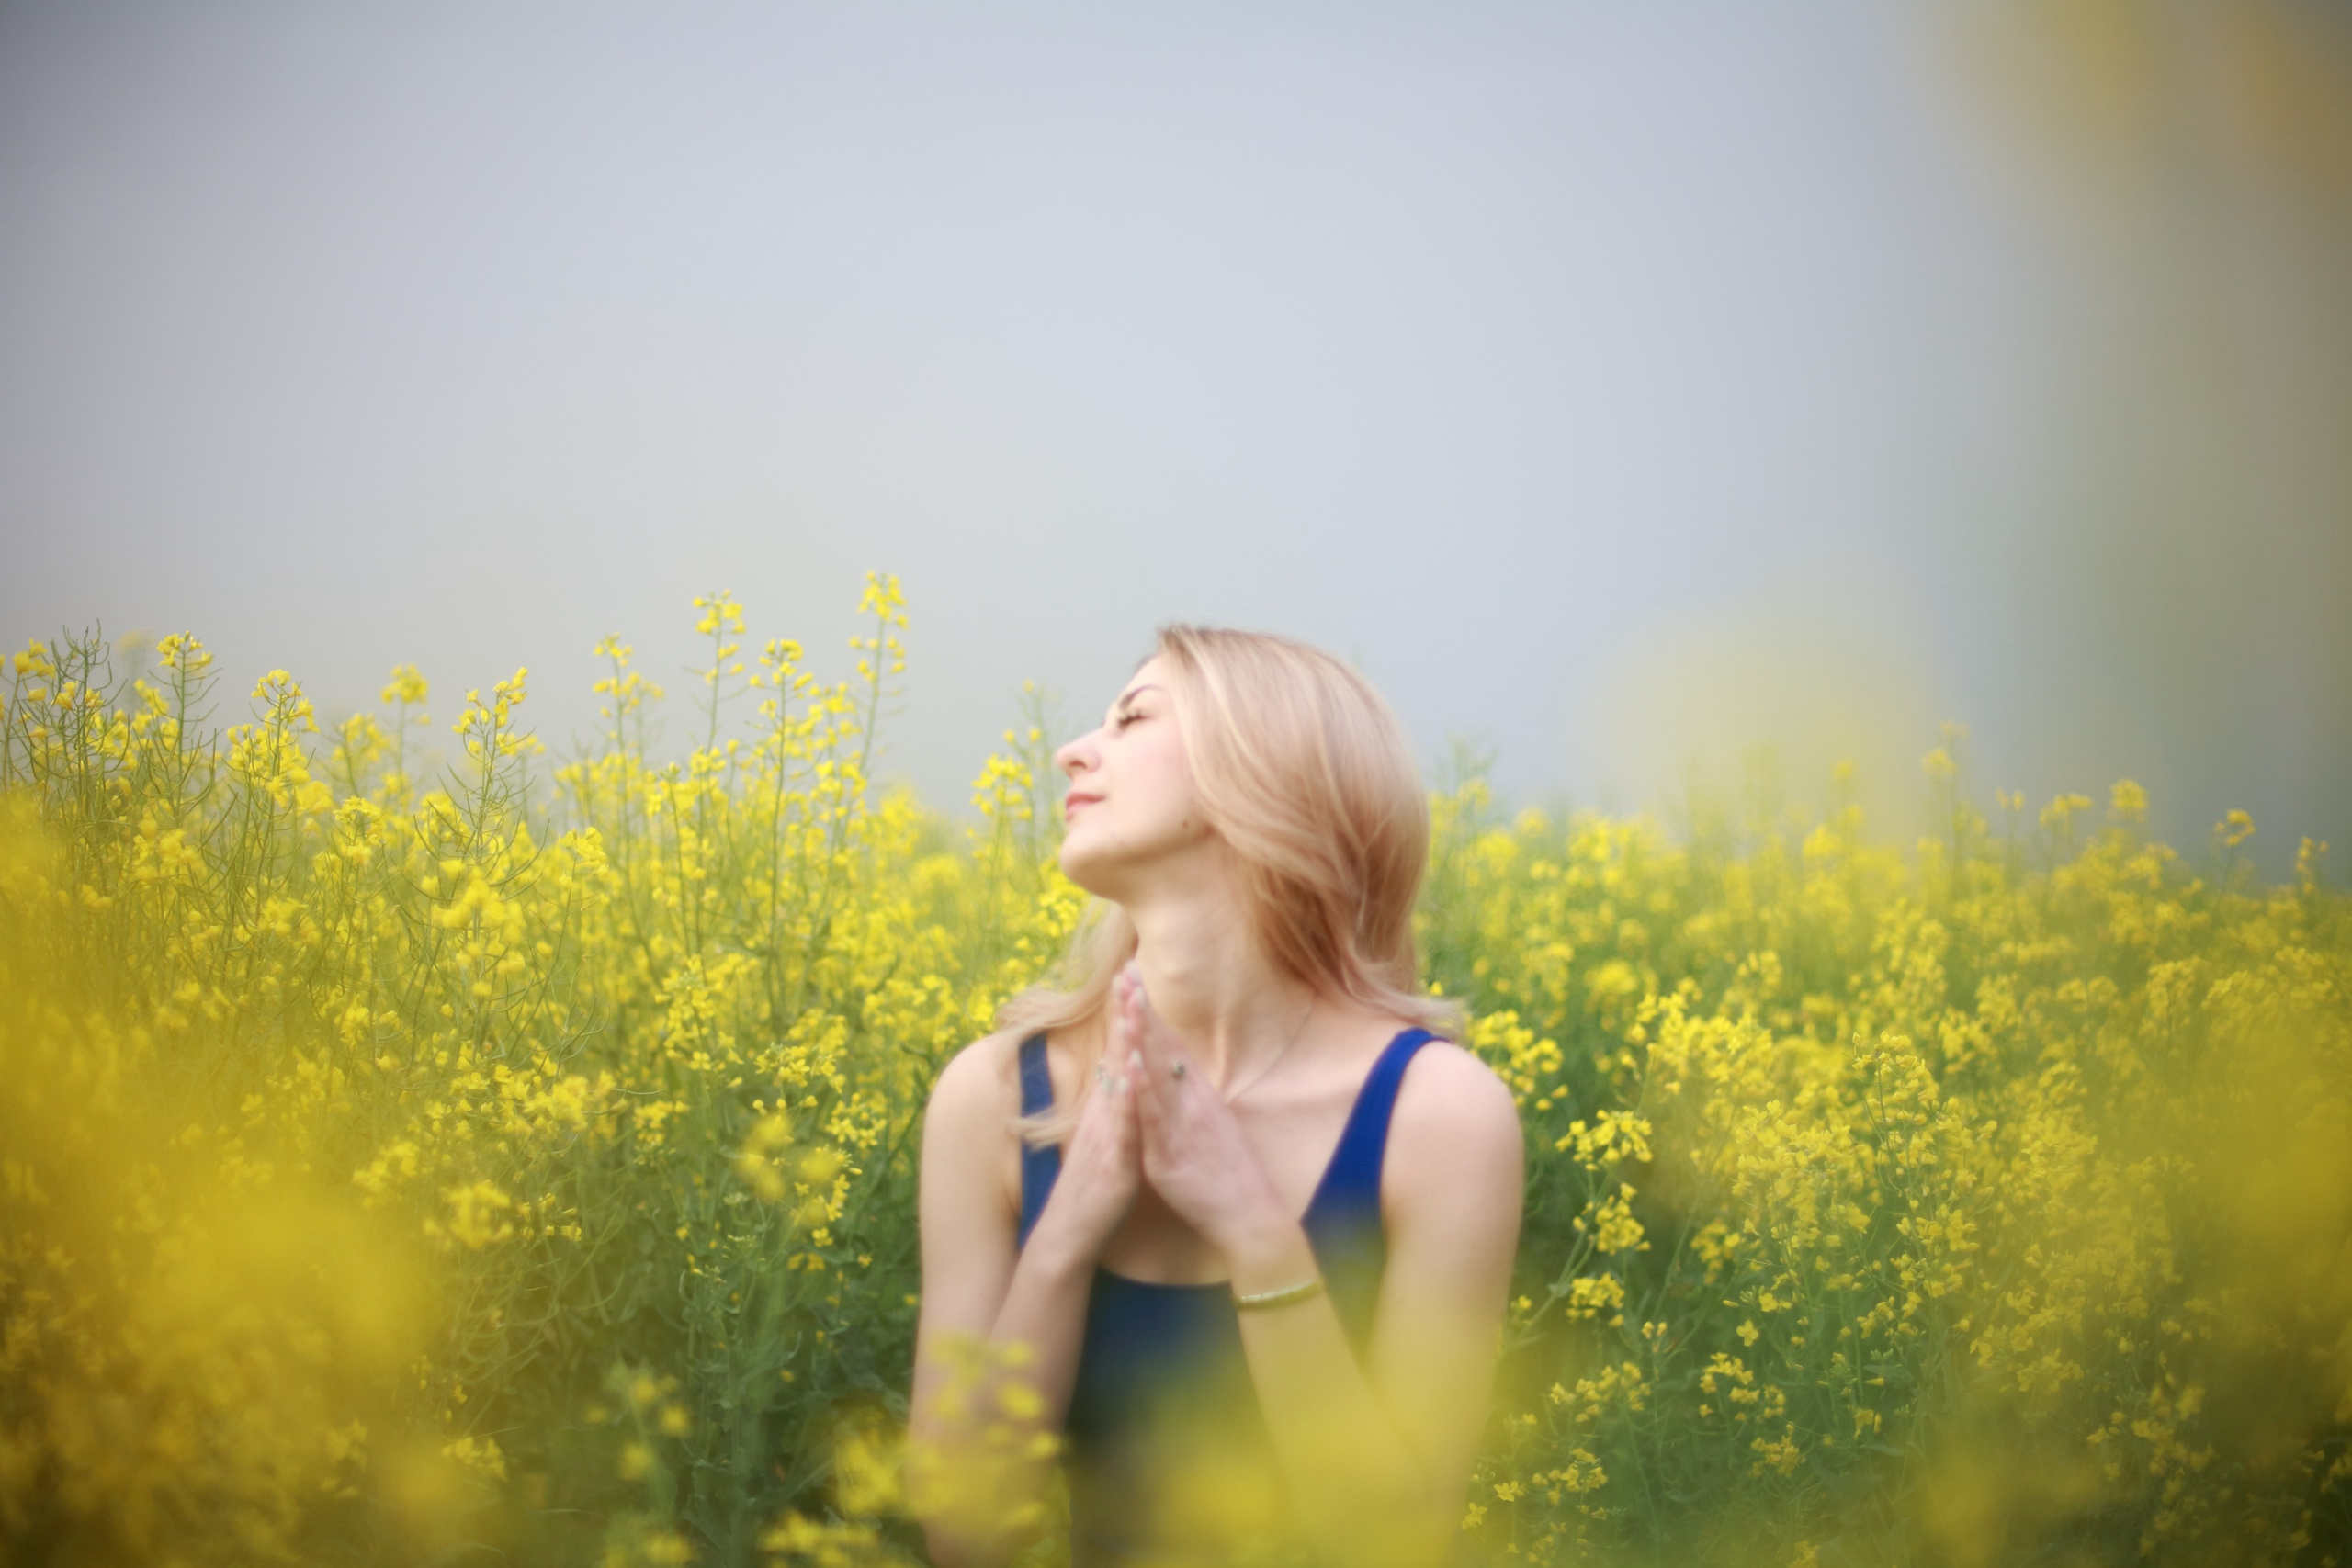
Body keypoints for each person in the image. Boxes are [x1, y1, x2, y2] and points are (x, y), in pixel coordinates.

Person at [910, 626, 1523, 1567]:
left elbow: (1396, 1543)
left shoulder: (1438, 1117)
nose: (1072, 750)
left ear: (1262, 774)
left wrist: (1252, 1226)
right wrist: (1067, 1230)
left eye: (1134, 717)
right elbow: (963, 1536)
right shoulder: (993, 1099)